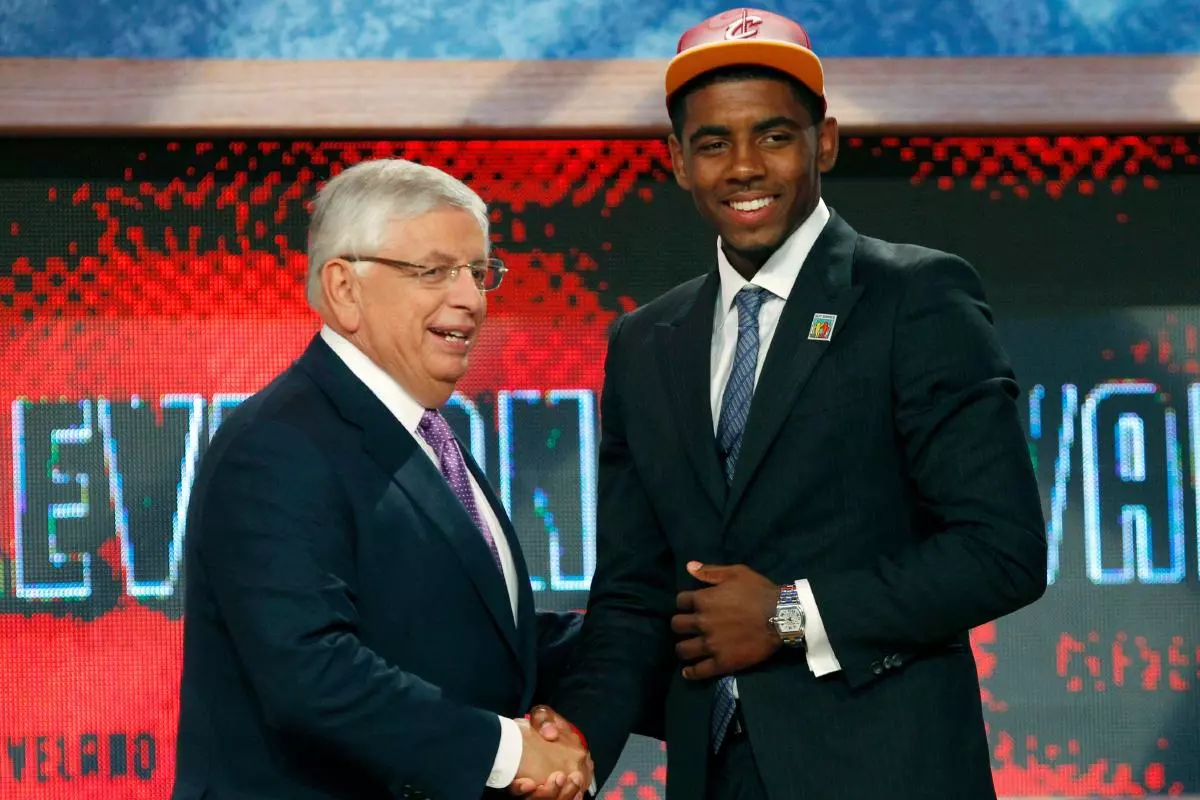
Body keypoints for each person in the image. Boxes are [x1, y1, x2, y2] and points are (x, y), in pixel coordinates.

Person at [539, 8, 1048, 800]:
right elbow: (635, 597)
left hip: (887, 774)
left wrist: (786, 614)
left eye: (774, 136)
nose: (744, 166)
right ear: (677, 160)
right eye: (713, 143)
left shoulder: (915, 297)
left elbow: (1001, 551)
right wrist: (574, 744)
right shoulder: (646, 342)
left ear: (827, 141)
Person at [171, 158, 593, 800]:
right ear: (343, 288)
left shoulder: (419, 433)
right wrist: (507, 753)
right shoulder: (279, 445)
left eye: (479, 272)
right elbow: (312, 674)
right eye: (434, 271)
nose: (472, 298)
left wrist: (649, 639)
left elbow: (475, 637)